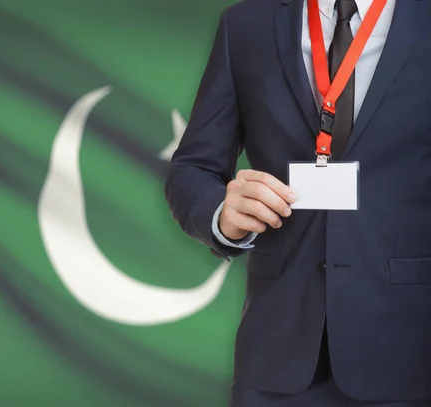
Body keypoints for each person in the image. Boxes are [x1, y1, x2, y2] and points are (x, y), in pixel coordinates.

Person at [165, 0, 431, 405]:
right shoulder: (246, 25)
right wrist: (221, 214)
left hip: (411, 353)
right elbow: (193, 167)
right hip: (276, 356)